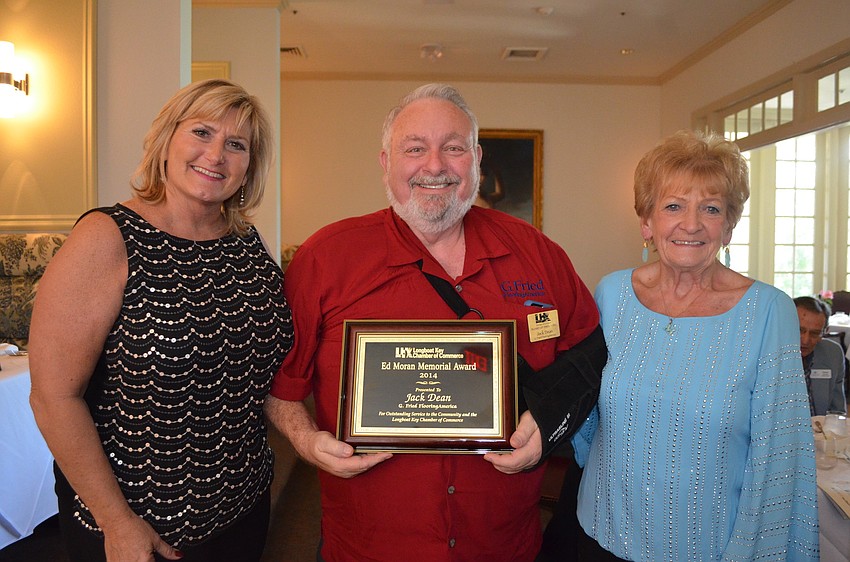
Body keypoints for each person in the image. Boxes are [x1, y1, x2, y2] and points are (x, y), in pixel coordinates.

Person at [264, 83, 606, 562]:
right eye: (414, 149)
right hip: (369, 548)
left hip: (503, 546)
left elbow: (588, 354)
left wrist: (547, 424)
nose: (435, 165)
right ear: (386, 162)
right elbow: (281, 387)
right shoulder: (326, 257)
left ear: (476, 160)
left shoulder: (537, 252)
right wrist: (306, 442)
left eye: (453, 148)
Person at [28, 79, 294, 562]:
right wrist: (117, 522)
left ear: (249, 166)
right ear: (167, 139)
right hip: (136, 523)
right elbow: (53, 398)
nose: (216, 155)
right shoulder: (106, 238)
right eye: (202, 132)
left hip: (242, 506)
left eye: (236, 145)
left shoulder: (248, 245)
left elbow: (269, 368)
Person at [571, 130, 820, 561]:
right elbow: (585, 413)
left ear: (729, 226)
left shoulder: (768, 312)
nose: (691, 224)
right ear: (646, 222)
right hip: (603, 532)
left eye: (711, 208)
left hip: (710, 546)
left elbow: (781, 454)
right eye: (673, 206)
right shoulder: (611, 295)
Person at [794, 295, 847, 415]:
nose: (805, 340)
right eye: (800, 330)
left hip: (819, 426)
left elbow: (837, 412)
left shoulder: (833, 354)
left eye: (814, 333)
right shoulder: (764, 353)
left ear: (825, 331)